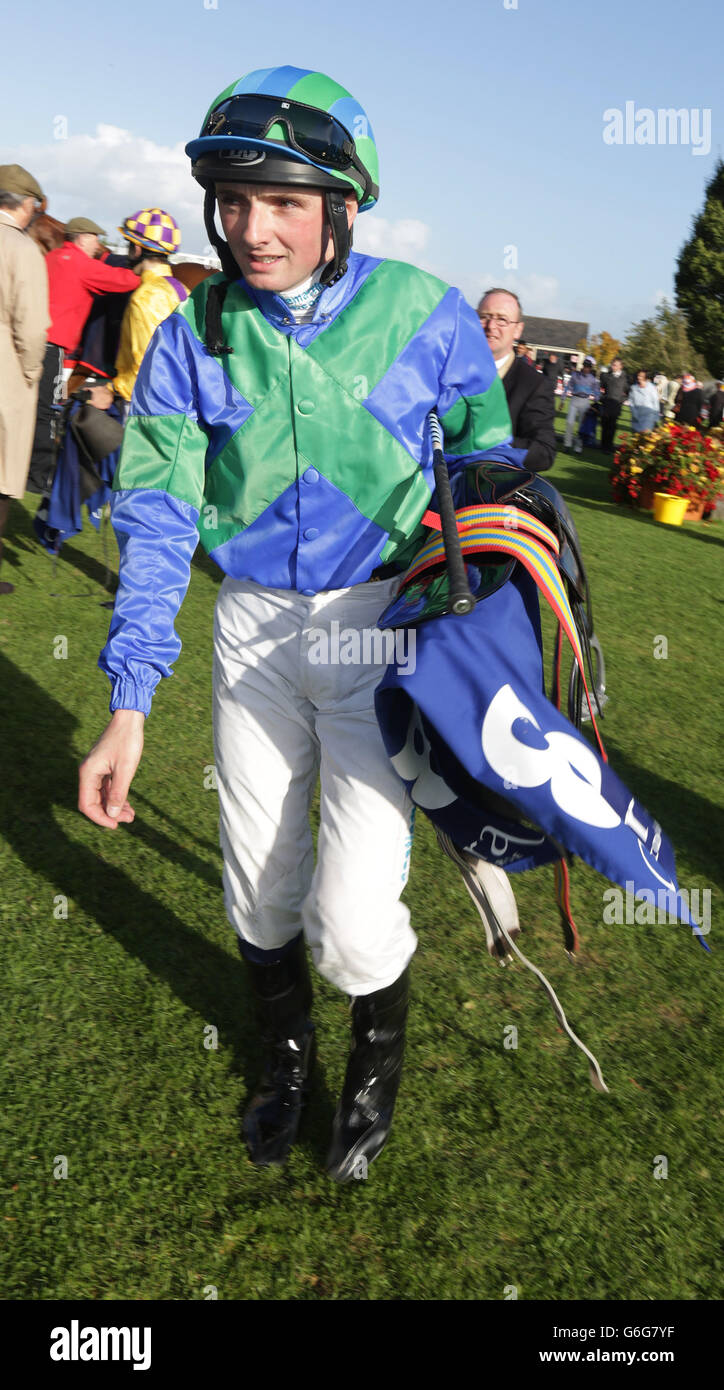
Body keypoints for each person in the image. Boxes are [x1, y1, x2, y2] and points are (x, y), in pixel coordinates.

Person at [77, 66, 529, 1183]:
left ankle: (375, 1058)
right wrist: (129, 704)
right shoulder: (191, 332)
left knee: (350, 918)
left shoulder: (424, 312)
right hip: (252, 633)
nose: (250, 228)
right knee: (259, 883)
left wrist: (502, 478)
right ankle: (284, 1059)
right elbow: (158, 515)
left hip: (378, 627)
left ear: (341, 206)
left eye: (281, 201)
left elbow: (480, 448)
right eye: (232, 200)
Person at [28, 217, 138, 495]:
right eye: (95, 239)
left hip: (33, 342)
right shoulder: (82, 264)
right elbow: (124, 282)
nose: (97, 246)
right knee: (47, 413)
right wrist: (146, 272)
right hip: (54, 350)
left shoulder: (52, 257)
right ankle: (39, 478)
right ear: (83, 238)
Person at [0, 164, 49, 595]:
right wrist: (32, 371)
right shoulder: (22, 249)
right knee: (1, 476)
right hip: (6, 371)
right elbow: (31, 327)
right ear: (27, 204)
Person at [84, 209, 187, 415]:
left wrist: (112, 389)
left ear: (138, 250)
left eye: (129, 245)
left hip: (142, 404)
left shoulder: (144, 297)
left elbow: (145, 364)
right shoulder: (181, 289)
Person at [477, 288, 556, 471]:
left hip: (489, 489)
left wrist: (488, 442)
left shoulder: (534, 385)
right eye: (484, 317)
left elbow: (544, 452)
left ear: (517, 330)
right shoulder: (447, 370)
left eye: (502, 320)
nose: (491, 326)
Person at [563, 357, 599, 452]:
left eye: (588, 367)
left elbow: (596, 391)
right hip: (574, 400)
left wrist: (596, 400)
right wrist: (563, 400)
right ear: (582, 366)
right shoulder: (575, 375)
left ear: (590, 368)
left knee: (581, 426)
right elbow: (568, 387)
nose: (586, 369)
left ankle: (578, 447)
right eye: (585, 366)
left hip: (585, 402)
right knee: (569, 422)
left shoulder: (592, 379)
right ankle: (567, 444)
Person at [598, 356, 629, 453]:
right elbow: (599, 388)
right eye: (612, 365)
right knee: (604, 426)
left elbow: (628, 392)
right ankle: (603, 446)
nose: (613, 367)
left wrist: (621, 400)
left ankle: (609, 446)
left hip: (616, 406)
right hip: (606, 404)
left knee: (612, 427)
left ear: (621, 366)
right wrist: (602, 398)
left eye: (615, 365)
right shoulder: (606, 376)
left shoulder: (625, 378)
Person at [628, 369, 661, 433]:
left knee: (645, 438)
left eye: (641, 376)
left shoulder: (651, 388)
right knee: (635, 438)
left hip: (648, 417)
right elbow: (631, 402)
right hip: (636, 417)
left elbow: (655, 402)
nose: (639, 377)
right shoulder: (633, 388)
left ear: (645, 377)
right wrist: (634, 413)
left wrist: (656, 417)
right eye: (638, 375)